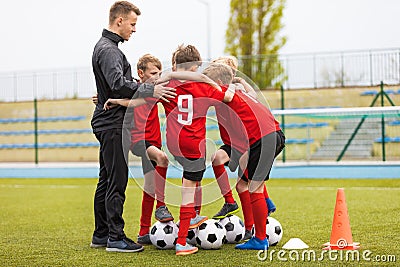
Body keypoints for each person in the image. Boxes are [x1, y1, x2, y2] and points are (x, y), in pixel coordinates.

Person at [90, 1, 175, 253]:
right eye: (132, 24)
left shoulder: (107, 48)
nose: (134, 29)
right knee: (116, 180)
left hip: (109, 122)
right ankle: (115, 237)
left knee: (106, 179)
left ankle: (101, 234)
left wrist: (106, 94)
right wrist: (150, 88)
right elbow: (117, 83)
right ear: (119, 21)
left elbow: (112, 85)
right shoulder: (109, 50)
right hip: (113, 124)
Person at [202, 63, 285, 250]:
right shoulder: (240, 93)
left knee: (254, 188)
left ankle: (260, 239)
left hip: (262, 139)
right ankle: (259, 216)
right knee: (242, 184)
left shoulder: (226, 93)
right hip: (272, 135)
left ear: (217, 83)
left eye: (207, 84)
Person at [160, 44, 234, 256]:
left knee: (191, 180)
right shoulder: (205, 87)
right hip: (194, 145)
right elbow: (227, 97)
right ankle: (182, 241)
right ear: (197, 65)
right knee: (188, 191)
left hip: (174, 144)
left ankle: (192, 216)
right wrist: (233, 85)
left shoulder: (169, 85)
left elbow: (146, 94)